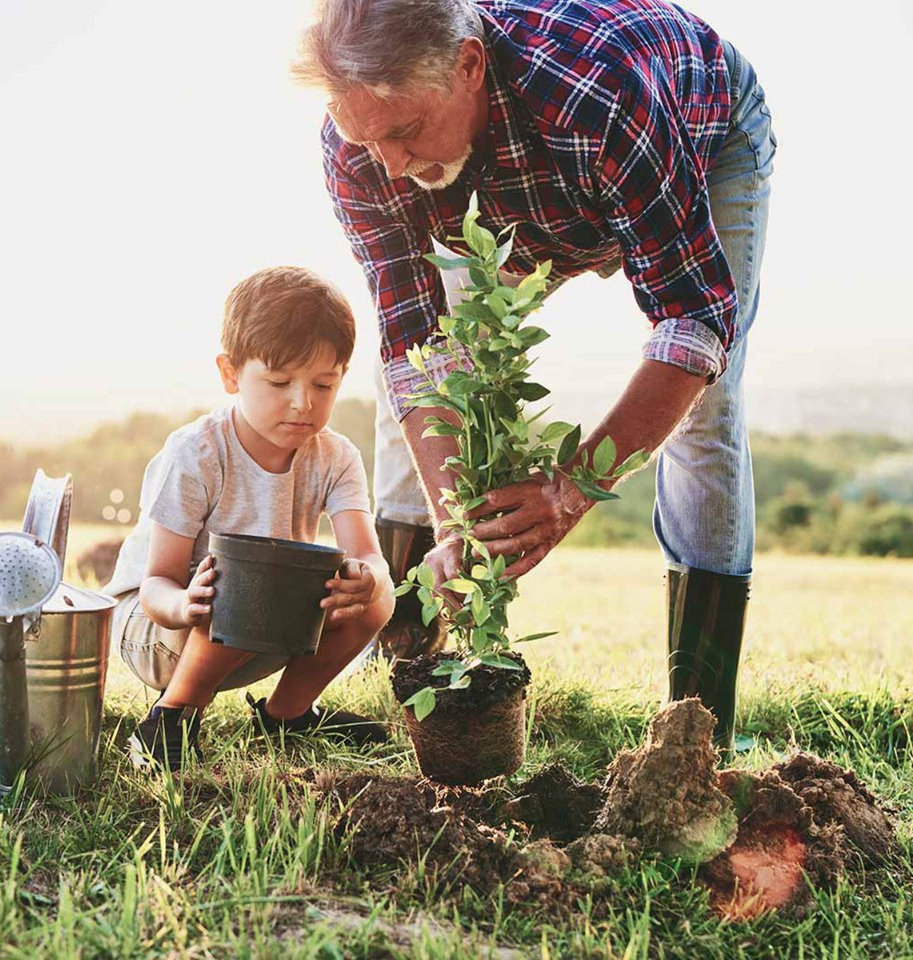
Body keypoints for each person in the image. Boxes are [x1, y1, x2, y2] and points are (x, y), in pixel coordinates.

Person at [293, 0, 776, 751]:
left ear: (469, 68)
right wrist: (460, 519)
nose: (386, 163)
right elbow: (413, 344)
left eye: (405, 131)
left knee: (707, 411)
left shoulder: (600, 95)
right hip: (526, 194)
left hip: (693, 141)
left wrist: (568, 489)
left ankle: (697, 727)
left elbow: (694, 321)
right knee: (430, 380)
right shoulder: (362, 145)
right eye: (365, 138)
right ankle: (411, 666)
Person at [104, 266, 396, 771]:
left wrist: (369, 579)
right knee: (251, 577)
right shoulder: (196, 453)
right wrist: (185, 604)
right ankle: (170, 720)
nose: (303, 403)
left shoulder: (337, 456)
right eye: (280, 382)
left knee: (379, 592)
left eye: (323, 385)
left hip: (263, 624)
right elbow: (154, 584)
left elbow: (369, 554)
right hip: (161, 630)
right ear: (230, 374)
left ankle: (287, 716)